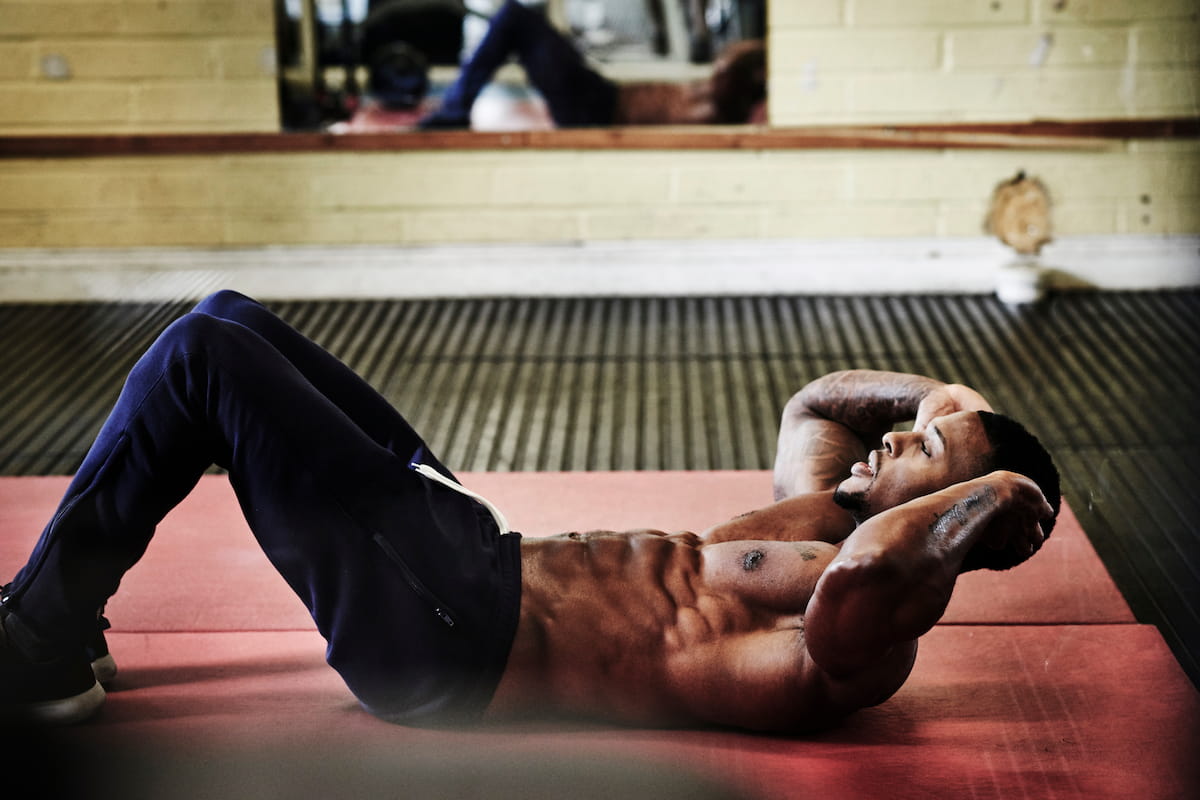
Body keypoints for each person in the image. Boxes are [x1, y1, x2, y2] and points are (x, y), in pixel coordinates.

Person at [1, 291, 1059, 731]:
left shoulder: (865, 632)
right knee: (225, 317)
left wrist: (996, 486)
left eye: (917, 450)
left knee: (199, 362)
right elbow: (816, 402)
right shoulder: (819, 513)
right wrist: (940, 405)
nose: (893, 438)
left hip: (449, 635)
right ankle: (69, 602)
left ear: (960, 512)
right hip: (465, 553)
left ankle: (34, 639)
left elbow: (878, 570)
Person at [417, 0, 766, 129]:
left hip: (593, 110)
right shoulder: (711, 96)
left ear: (741, 80)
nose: (717, 67)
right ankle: (455, 106)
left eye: (724, 67)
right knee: (517, 22)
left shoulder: (713, 111)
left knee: (514, 18)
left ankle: (454, 109)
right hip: (599, 95)